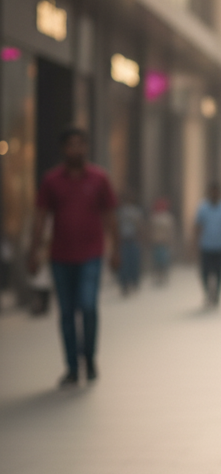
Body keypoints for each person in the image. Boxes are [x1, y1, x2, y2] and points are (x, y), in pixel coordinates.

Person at [27, 126, 119, 386]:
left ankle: (89, 358)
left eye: (80, 144)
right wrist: (34, 252)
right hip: (60, 255)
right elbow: (41, 216)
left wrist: (116, 250)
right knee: (66, 312)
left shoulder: (99, 179)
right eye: (71, 144)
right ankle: (71, 366)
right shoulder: (51, 181)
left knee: (88, 306)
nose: (76, 149)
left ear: (86, 148)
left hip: (92, 254)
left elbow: (110, 216)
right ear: (63, 149)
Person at [194, 183, 221, 307]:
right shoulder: (203, 208)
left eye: (216, 192)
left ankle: (217, 294)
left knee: (219, 273)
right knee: (205, 272)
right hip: (206, 246)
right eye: (212, 192)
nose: (214, 194)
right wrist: (193, 246)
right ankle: (208, 293)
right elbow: (197, 227)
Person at [117, 192, 144, 295]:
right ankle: (128, 283)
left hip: (130, 240)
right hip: (127, 240)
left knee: (130, 263)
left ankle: (129, 283)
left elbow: (139, 226)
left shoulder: (123, 212)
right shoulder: (125, 212)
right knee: (129, 263)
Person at [149, 197, 176, 285]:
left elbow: (170, 231)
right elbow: (151, 230)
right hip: (157, 243)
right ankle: (159, 277)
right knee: (158, 262)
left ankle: (162, 277)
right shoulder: (154, 217)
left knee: (163, 261)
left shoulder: (167, 218)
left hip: (163, 243)